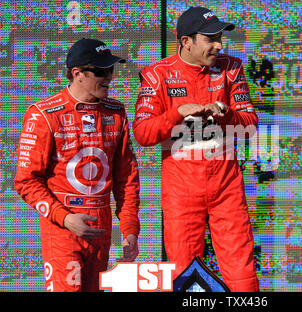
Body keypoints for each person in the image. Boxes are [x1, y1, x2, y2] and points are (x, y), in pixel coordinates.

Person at [133, 7, 259, 292]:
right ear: (186, 41)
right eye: (210, 38)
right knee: (184, 272)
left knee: (241, 268)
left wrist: (225, 114)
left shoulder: (231, 67)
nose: (219, 45)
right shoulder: (157, 75)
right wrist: (177, 113)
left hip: (226, 185)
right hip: (181, 189)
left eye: (220, 38)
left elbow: (250, 125)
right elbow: (142, 133)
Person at [14, 38, 141, 292]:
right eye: (100, 71)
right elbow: (25, 181)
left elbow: (126, 177)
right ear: (77, 74)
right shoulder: (43, 114)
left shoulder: (116, 112)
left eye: (111, 70)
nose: (108, 77)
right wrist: (65, 218)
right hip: (62, 228)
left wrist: (130, 230)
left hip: (102, 229)